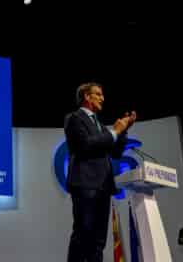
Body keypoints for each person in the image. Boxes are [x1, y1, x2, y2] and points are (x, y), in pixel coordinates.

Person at [65, 82, 137, 262]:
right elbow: (85, 145)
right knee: (83, 236)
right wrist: (115, 132)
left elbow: (116, 152)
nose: (102, 98)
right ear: (87, 97)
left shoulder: (100, 125)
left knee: (99, 241)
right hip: (85, 184)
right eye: (98, 94)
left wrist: (123, 131)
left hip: (103, 186)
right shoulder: (74, 118)